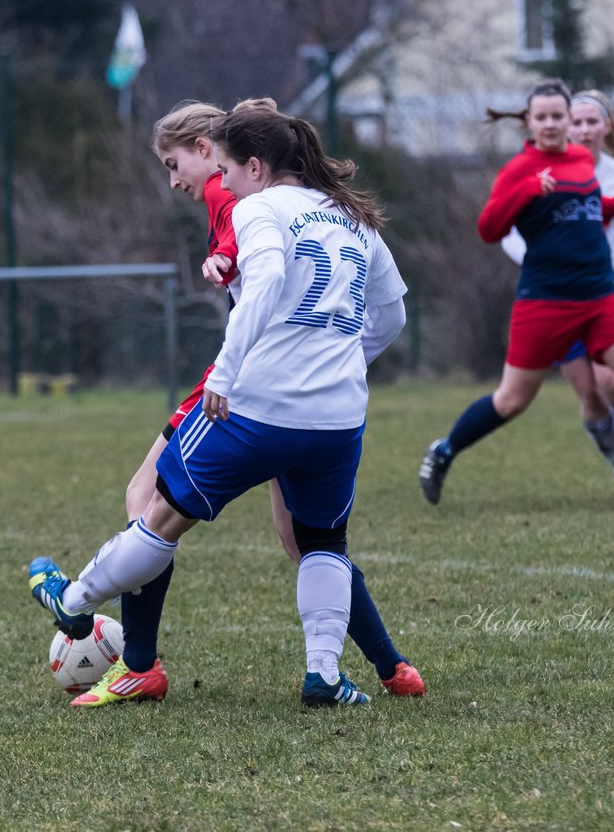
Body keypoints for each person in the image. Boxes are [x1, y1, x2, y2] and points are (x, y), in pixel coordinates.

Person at [30, 102, 410, 707]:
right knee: (321, 544)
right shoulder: (354, 216)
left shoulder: (256, 207)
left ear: (253, 166)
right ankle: (327, 675)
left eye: (226, 169)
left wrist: (227, 375)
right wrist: (340, 362)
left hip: (256, 405)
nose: (220, 185)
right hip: (337, 416)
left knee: (159, 513)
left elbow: (262, 287)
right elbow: (392, 315)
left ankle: (74, 604)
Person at [418, 80, 614, 508]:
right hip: (546, 301)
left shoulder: (581, 158)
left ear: (568, 122)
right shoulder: (519, 170)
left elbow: (591, 207)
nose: (550, 124)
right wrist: (529, 191)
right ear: (529, 122)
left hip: (603, 294)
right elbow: (489, 229)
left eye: (557, 116)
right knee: (512, 400)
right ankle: (443, 452)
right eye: (541, 117)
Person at [498, 89, 614, 502]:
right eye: (578, 122)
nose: (584, 129)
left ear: (608, 128)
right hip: (554, 298)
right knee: (589, 393)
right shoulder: (541, 172)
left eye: (594, 122)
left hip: (602, 294)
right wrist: (538, 261)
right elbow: (506, 232)